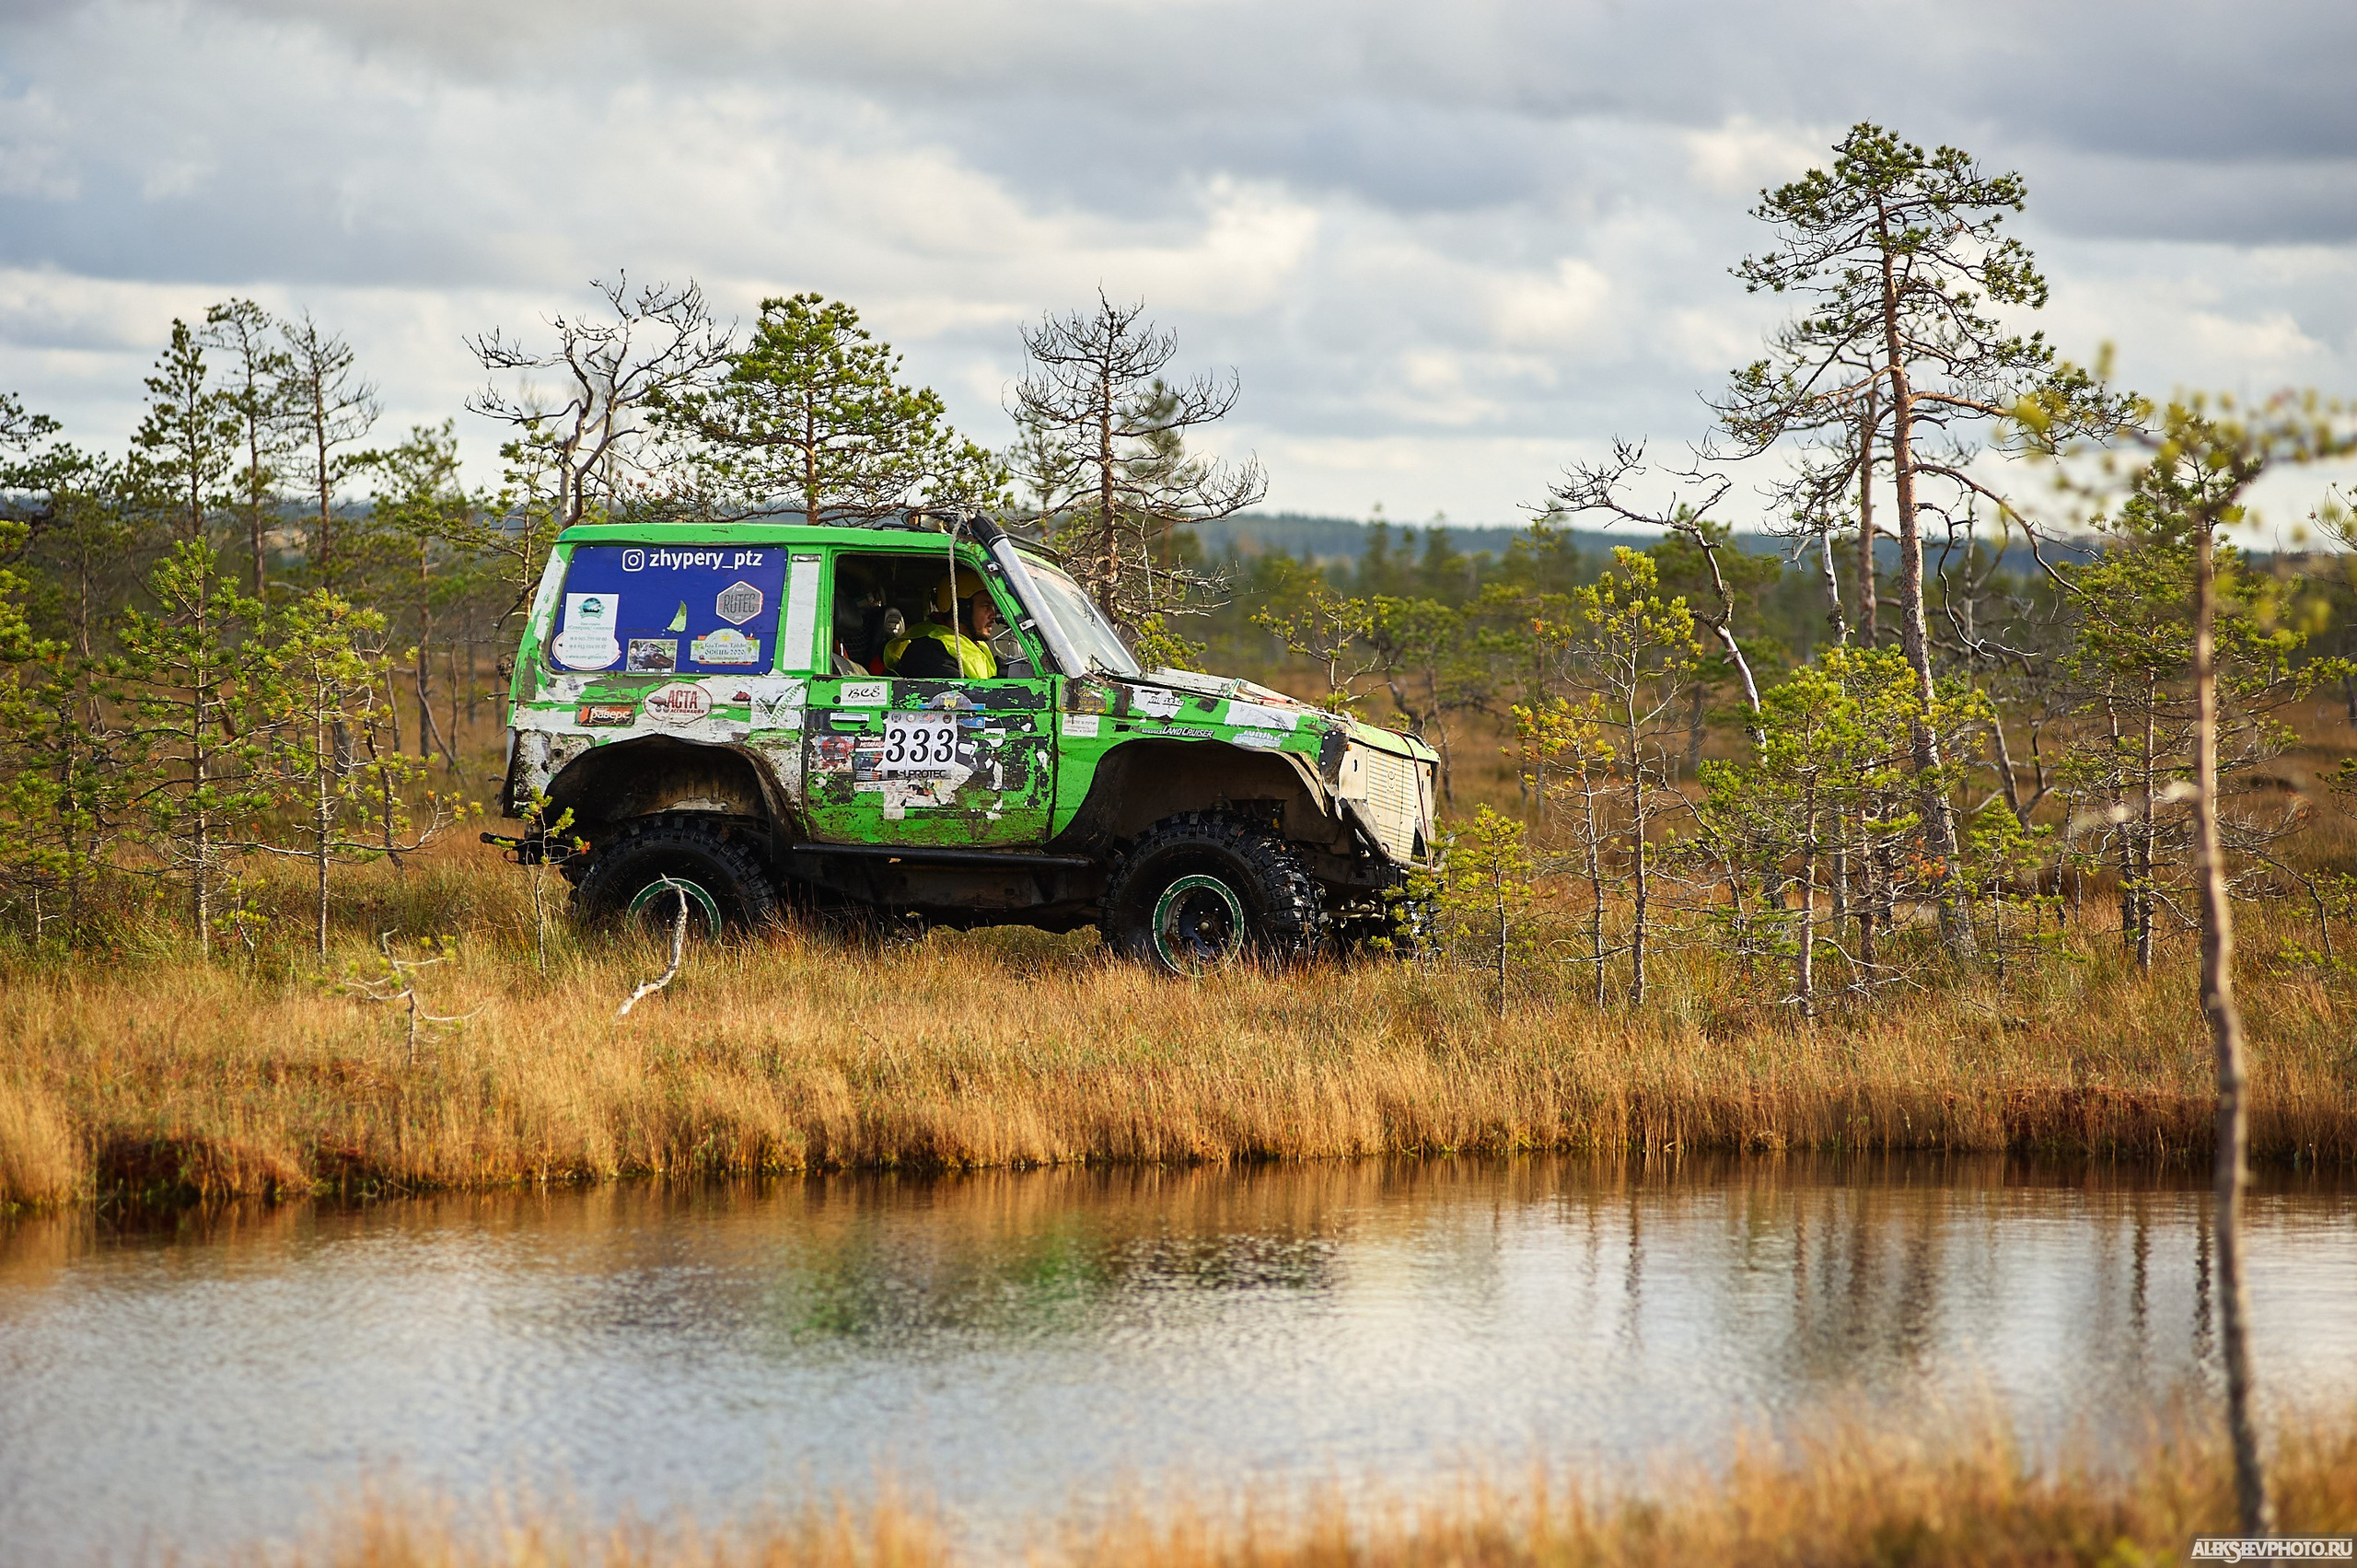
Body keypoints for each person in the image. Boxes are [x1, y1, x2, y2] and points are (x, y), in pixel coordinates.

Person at [885, 571, 1001, 679]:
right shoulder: (928, 652)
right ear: (961, 608)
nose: (993, 615)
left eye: (993, 606)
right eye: (985, 606)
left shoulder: (975, 643)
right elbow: (958, 691)